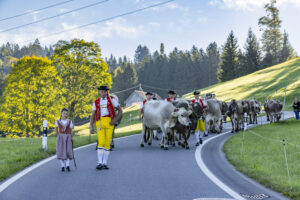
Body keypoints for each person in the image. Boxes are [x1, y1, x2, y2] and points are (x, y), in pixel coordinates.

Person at [90, 85, 122, 170]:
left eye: (104, 91)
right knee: (101, 142)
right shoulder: (96, 102)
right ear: (99, 92)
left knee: (107, 143)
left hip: (109, 122)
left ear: (107, 92)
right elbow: (93, 114)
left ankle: (105, 163)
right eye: (101, 91)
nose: (103, 93)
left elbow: (120, 110)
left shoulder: (112, 100)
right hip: (99, 122)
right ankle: (99, 162)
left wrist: (115, 120)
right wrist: (91, 126)